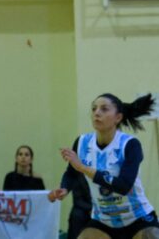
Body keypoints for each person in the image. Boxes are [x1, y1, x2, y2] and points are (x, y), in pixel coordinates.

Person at [48, 93, 159, 239]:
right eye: (94, 108)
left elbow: (123, 186)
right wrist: (64, 188)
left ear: (118, 117)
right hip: (103, 220)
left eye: (104, 109)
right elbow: (71, 172)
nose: (97, 113)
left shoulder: (130, 144)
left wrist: (83, 168)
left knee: (152, 235)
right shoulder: (82, 142)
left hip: (137, 218)